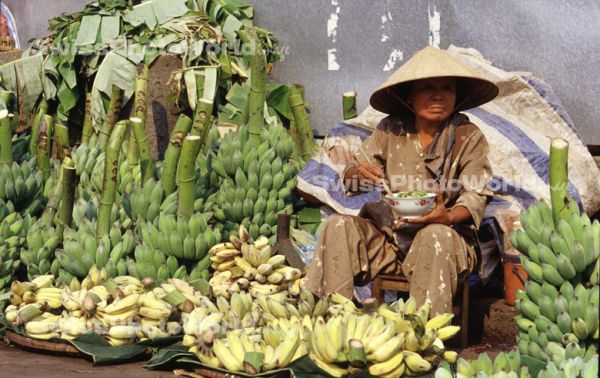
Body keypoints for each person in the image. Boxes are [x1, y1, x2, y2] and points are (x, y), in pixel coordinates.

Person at [303, 46, 499, 315]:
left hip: (447, 243)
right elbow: (352, 176)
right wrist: (355, 173)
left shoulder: (469, 135)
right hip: (391, 242)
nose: (438, 95)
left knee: (435, 235)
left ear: (456, 95)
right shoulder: (390, 130)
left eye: (446, 88)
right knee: (337, 225)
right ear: (410, 97)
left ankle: (425, 339)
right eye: (427, 87)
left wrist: (448, 216)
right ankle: (333, 323)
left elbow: (476, 195)